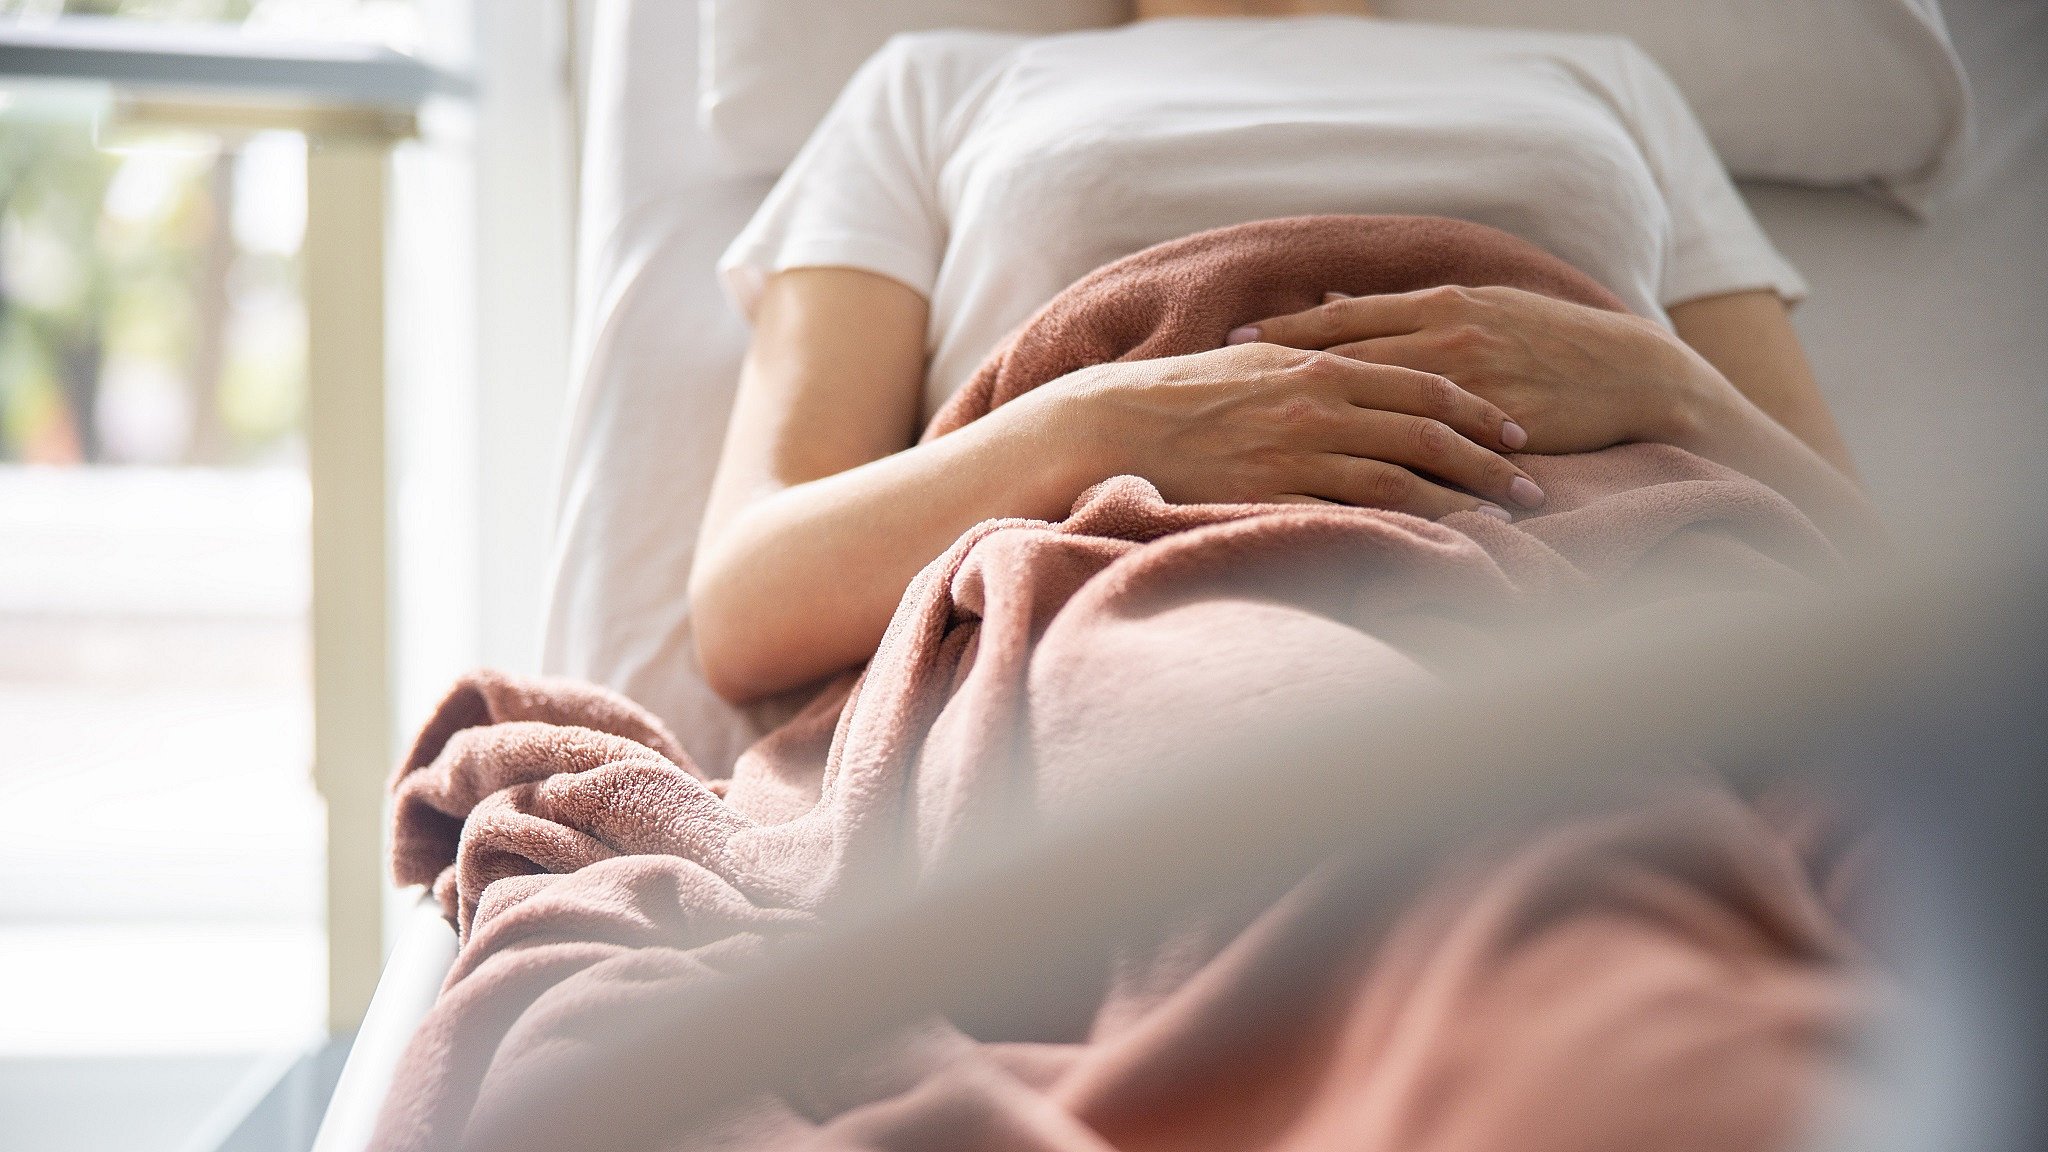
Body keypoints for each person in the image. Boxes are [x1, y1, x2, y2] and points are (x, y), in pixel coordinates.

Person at [689, 0, 1873, 705]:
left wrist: (1651, 380)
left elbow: (1866, 570)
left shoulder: (1602, 74)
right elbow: (749, 600)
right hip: (1140, 595)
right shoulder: (929, 87)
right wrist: (1096, 429)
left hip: (1624, 594)